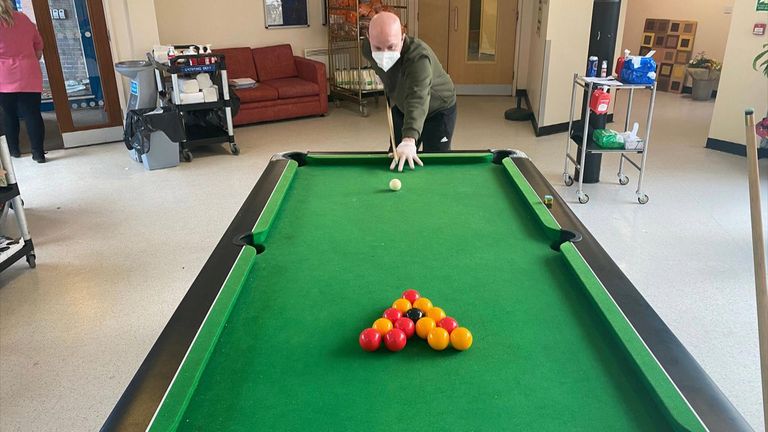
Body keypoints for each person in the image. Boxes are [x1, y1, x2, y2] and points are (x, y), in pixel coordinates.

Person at [363, 12, 456, 172]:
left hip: (438, 109)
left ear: (402, 38)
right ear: (369, 38)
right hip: (402, 106)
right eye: (378, 47)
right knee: (397, 157)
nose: (384, 53)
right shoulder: (367, 49)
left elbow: (417, 98)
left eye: (391, 47)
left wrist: (409, 140)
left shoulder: (419, 58)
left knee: (435, 165)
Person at [0, 0, 46, 163]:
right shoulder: (23, 19)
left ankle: (14, 151)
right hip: (28, 72)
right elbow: (38, 45)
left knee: (9, 115)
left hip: (3, 76)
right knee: (33, 114)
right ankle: (38, 153)